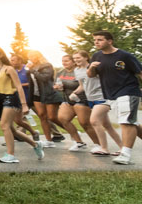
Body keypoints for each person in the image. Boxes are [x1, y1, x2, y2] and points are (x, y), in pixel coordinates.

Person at [88, 31, 142, 165]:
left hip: (128, 91)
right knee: (131, 122)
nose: (96, 42)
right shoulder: (96, 56)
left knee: (126, 121)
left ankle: (125, 154)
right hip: (111, 95)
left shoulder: (124, 56)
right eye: (95, 40)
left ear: (110, 41)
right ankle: (126, 152)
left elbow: (140, 72)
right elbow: (90, 75)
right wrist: (92, 67)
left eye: (100, 40)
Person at [0, 46, 44, 163]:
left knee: (4, 125)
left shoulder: (9, 69)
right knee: (12, 129)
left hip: (11, 98)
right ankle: (35, 144)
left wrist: (24, 105)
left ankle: (11, 155)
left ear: (0, 55)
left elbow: (18, 86)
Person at [73, 49, 121, 155]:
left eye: (78, 57)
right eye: (74, 58)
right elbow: (82, 86)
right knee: (107, 126)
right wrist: (74, 93)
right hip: (91, 99)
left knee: (94, 121)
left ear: (86, 57)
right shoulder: (76, 70)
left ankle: (104, 148)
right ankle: (123, 148)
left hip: (103, 97)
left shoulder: (94, 67)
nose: (76, 60)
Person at [54, 54, 96, 151]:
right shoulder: (60, 72)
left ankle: (98, 144)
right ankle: (79, 142)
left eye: (67, 61)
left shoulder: (78, 71)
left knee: (84, 123)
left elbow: (85, 85)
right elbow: (57, 84)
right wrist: (57, 87)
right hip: (67, 99)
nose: (64, 63)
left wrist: (75, 92)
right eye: (63, 61)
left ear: (73, 62)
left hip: (82, 98)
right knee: (63, 118)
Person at [28, 50, 65, 146]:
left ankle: (73, 131)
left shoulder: (46, 66)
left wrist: (32, 71)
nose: (31, 57)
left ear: (38, 56)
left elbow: (44, 78)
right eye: (29, 56)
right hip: (37, 95)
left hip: (48, 93)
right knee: (42, 117)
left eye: (33, 55)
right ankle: (49, 141)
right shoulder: (31, 68)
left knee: (52, 117)